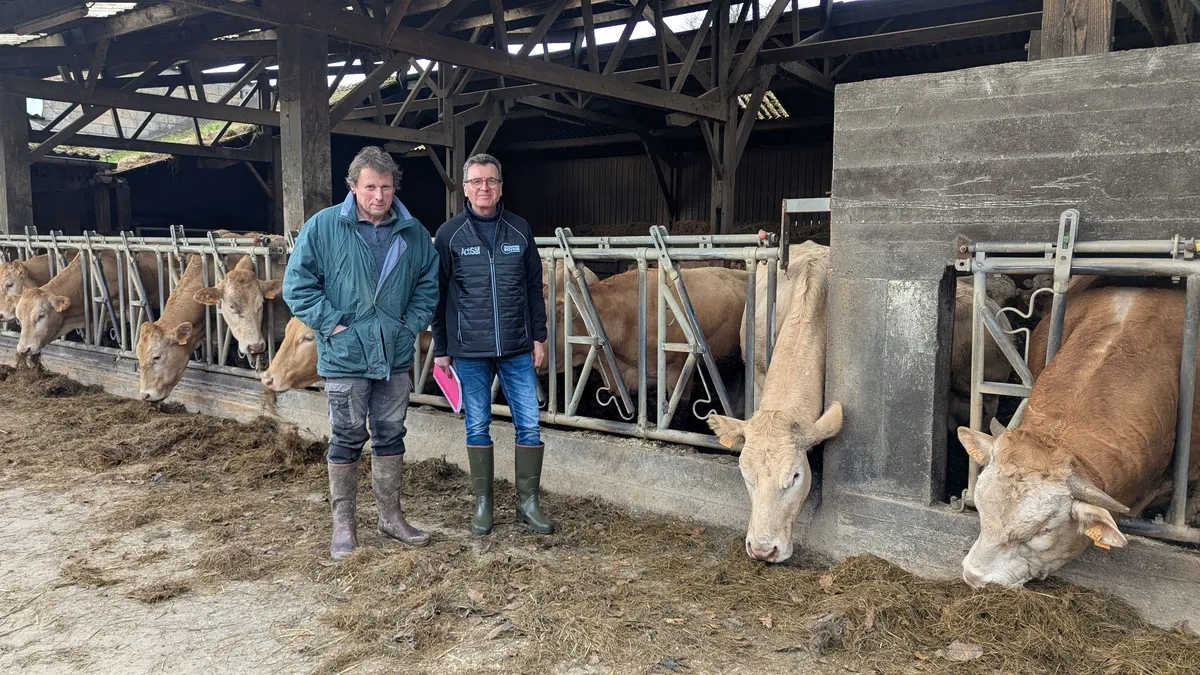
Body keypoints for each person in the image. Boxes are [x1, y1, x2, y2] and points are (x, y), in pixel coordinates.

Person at [283, 146, 439, 560]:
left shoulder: (413, 232)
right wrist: (333, 324)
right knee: (348, 435)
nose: (379, 196)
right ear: (353, 187)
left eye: (386, 187)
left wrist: (410, 324)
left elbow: (428, 282)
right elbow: (297, 285)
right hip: (346, 355)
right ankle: (344, 526)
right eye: (370, 187)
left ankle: (390, 516)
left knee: (391, 432)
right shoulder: (323, 227)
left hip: (393, 353)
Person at [432, 153, 553, 536]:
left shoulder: (519, 230)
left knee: (529, 424)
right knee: (478, 424)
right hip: (470, 349)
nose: (484, 188)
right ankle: (484, 504)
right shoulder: (449, 234)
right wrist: (442, 346)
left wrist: (540, 336)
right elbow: (439, 293)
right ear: (465, 189)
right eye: (476, 182)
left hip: (518, 345)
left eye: (491, 181)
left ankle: (527, 503)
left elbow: (534, 286)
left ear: (501, 187)